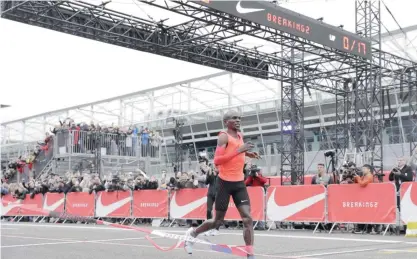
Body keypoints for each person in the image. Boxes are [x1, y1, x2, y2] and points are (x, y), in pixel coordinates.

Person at [184, 110, 260, 258]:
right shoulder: (223, 137)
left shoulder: (239, 135)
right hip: (224, 183)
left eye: (239, 118)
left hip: (239, 183)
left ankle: (250, 255)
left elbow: (236, 152)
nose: (238, 120)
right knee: (217, 221)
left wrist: (247, 154)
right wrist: (240, 150)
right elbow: (217, 160)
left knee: (247, 218)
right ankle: (193, 233)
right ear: (226, 122)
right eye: (234, 118)